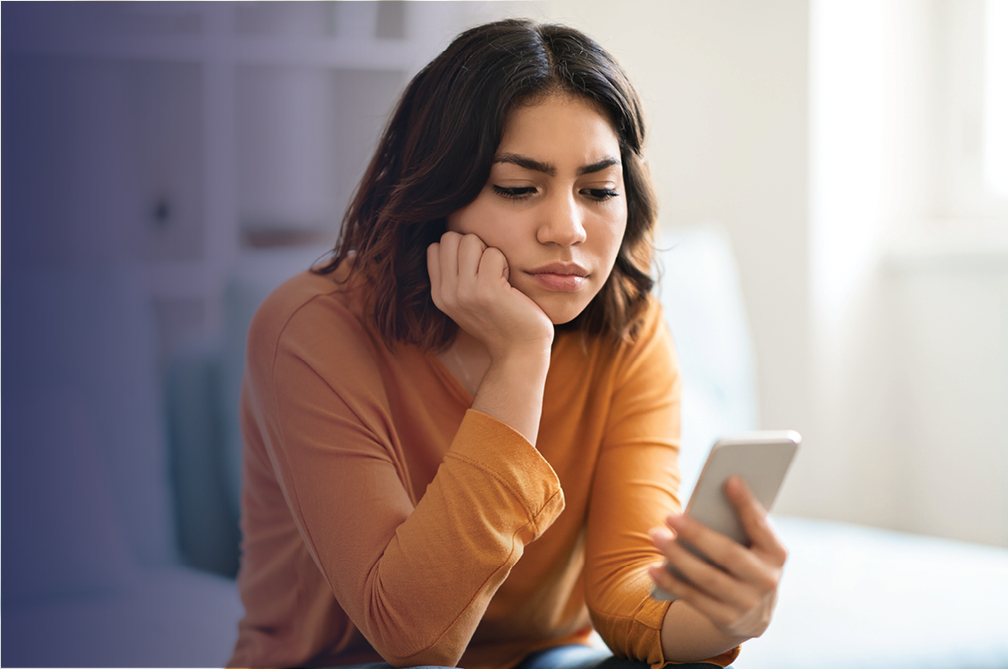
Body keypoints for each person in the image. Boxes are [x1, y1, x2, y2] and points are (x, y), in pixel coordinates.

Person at [229, 18, 786, 669]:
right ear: (439, 195)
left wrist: (721, 616)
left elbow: (626, 590)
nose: (567, 228)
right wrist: (522, 356)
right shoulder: (310, 329)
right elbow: (412, 634)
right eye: (520, 188)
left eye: (599, 190)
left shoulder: (628, 332)